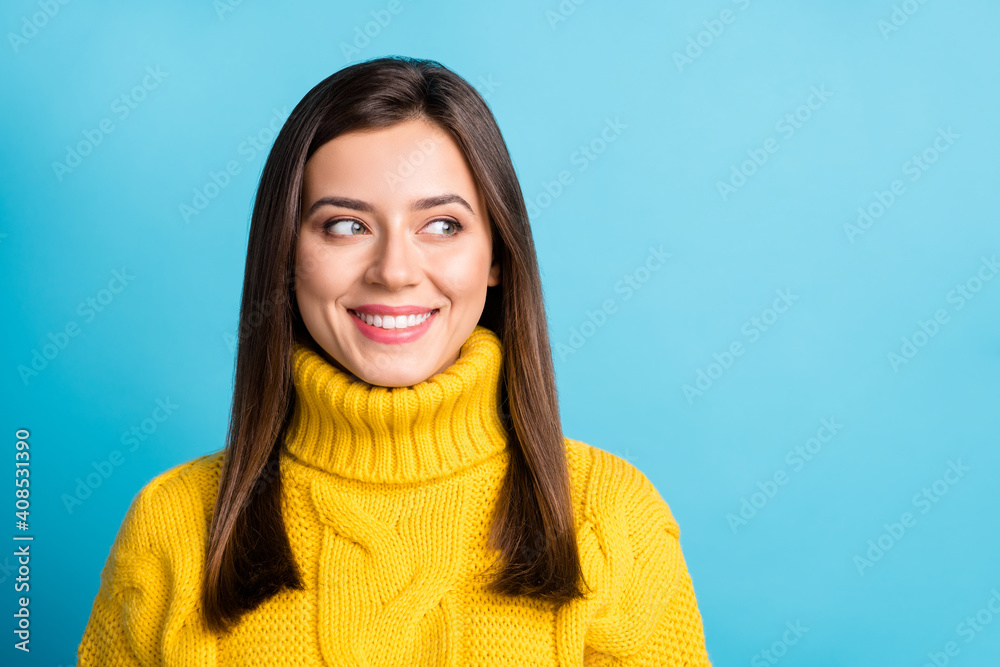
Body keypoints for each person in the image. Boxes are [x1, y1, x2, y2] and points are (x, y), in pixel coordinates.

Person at [77, 55, 712, 666]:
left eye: (441, 225)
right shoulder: (174, 525)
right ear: (285, 255)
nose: (395, 272)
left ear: (495, 256)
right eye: (347, 227)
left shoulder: (611, 518)